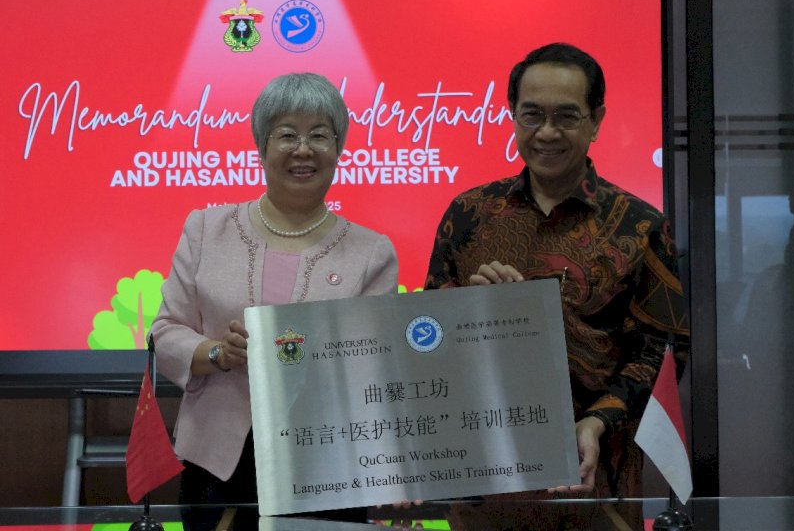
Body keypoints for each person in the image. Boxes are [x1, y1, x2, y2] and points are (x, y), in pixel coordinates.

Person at [425, 43, 690, 530]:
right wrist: (470, 311)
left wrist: (598, 420)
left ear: (596, 120)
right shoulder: (468, 215)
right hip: (483, 485)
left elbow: (665, 350)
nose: (547, 132)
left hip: (597, 484)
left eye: (566, 116)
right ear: (513, 116)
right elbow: (425, 338)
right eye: (532, 115)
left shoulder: (641, 226)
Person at [151, 72, 399, 529]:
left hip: (328, 465)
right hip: (217, 464)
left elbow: (374, 366)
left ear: (338, 149)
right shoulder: (206, 229)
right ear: (262, 146)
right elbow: (164, 333)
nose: (303, 149)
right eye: (287, 134)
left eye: (319, 135)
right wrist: (218, 354)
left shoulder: (372, 252)